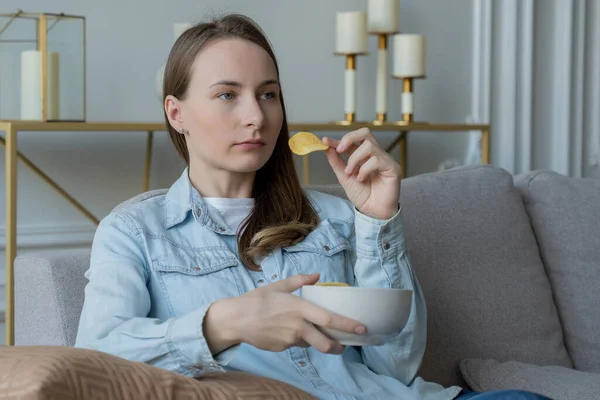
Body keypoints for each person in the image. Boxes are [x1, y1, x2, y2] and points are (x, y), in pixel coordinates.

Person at [75, 13, 552, 400]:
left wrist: (378, 219)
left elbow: (398, 365)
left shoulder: (339, 218)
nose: (256, 116)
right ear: (176, 113)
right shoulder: (134, 232)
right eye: (227, 95)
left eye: (268, 94)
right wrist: (220, 324)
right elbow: (94, 362)